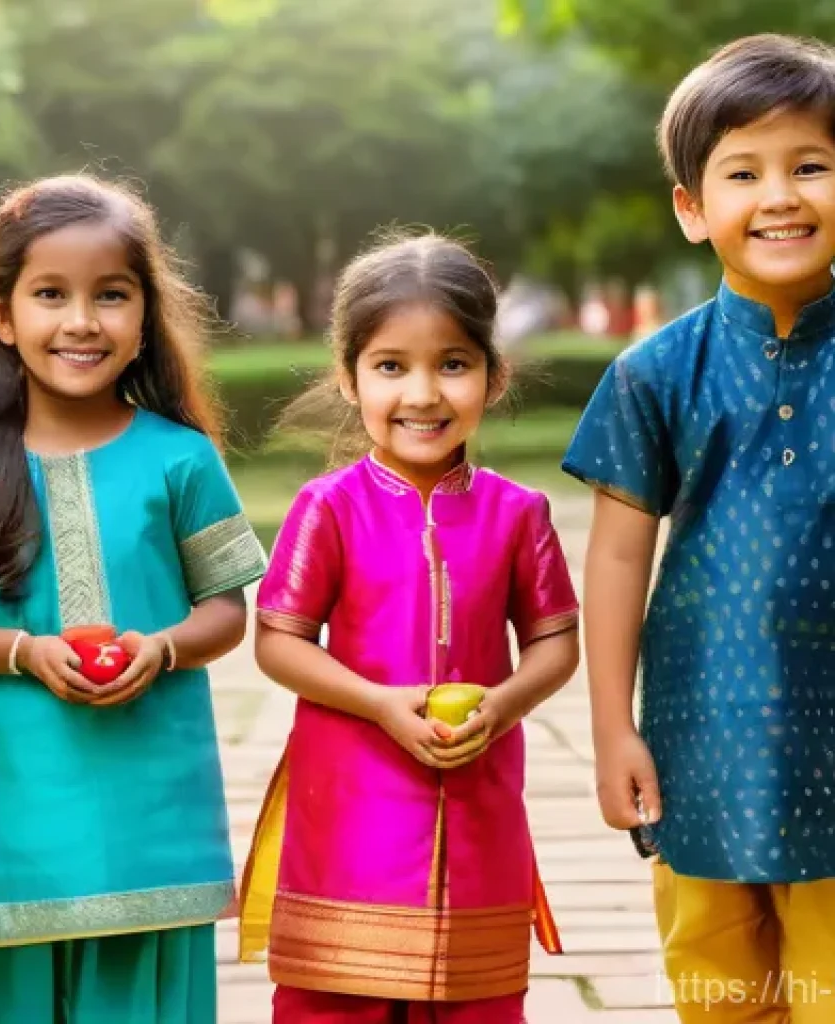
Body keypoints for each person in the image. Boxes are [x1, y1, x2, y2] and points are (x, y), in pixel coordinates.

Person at [0, 174, 267, 1023]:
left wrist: (162, 647)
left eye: (111, 295)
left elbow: (226, 612)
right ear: (2, 315)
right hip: (19, 780)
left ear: (145, 317)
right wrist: (24, 653)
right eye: (50, 295)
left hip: (152, 789)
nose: (81, 322)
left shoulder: (182, 458)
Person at [563, 33, 835, 1024]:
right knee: (719, 989)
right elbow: (617, 556)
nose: (780, 197)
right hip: (699, 736)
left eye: (811, 165)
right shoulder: (653, 371)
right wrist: (608, 731)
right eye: (742, 172)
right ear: (690, 208)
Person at [239, 233, 581, 1023]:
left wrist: (504, 704)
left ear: (494, 377)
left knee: (477, 997)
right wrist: (379, 703)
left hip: (480, 794)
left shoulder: (517, 514)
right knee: (338, 998)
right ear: (348, 375)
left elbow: (554, 643)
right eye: (391, 366)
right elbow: (279, 642)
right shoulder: (328, 508)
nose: (423, 394)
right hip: (350, 803)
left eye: (453, 364)